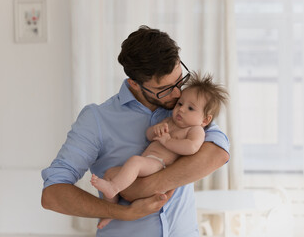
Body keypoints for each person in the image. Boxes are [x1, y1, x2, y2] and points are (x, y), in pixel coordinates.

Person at [41, 25, 230, 237]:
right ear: (135, 84)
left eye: (179, 80)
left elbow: (218, 154)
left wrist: (138, 189)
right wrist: (122, 212)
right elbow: (53, 193)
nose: (177, 93)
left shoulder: (188, 106)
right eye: (165, 90)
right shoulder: (96, 120)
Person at [91, 72, 228, 229]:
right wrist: (155, 130)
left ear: (205, 119)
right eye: (180, 104)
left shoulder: (195, 130)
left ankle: (114, 188)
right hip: (148, 160)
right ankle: (110, 212)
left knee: (135, 162)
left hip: (158, 164)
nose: (181, 110)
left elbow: (191, 147)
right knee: (110, 173)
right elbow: (149, 136)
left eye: (190, 108)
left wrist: (168, 141)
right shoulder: (169, 121)